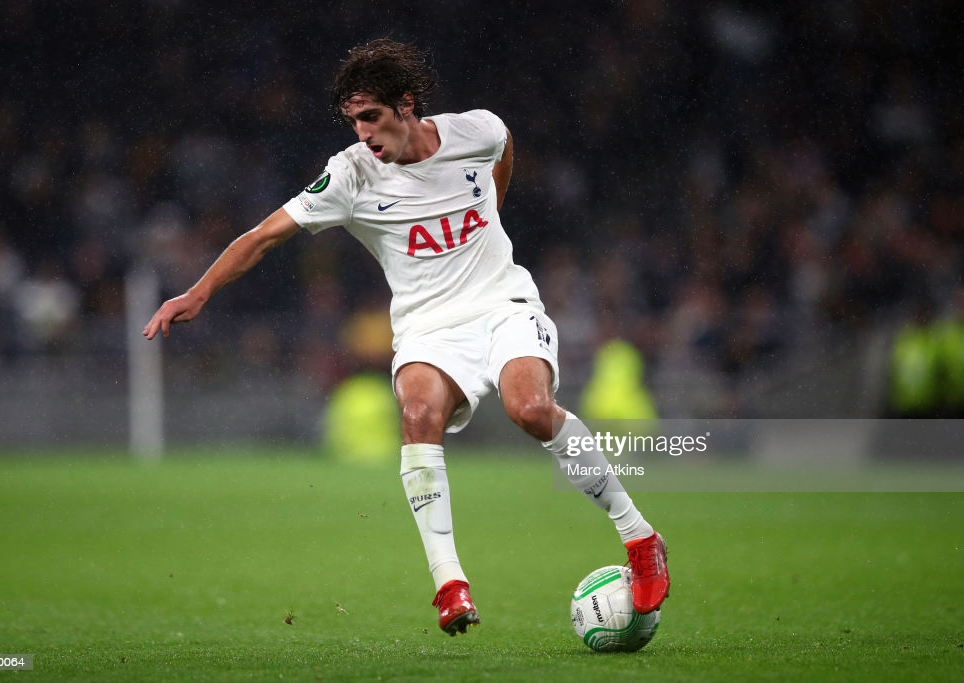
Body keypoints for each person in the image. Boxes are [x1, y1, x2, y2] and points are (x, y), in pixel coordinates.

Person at [142, 38, 669, 636]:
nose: (363, 133)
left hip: (503, 303)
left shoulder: (477, 130)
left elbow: (504, 147)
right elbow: (263, 236)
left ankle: (640, 538)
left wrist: (494, 203)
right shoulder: (350, 175)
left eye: (371, 117)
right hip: (426, 328)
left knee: (529, 409)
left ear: (407, 105)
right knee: (418, 415)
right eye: (353, 120)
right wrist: (198, 292)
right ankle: (449, 582)